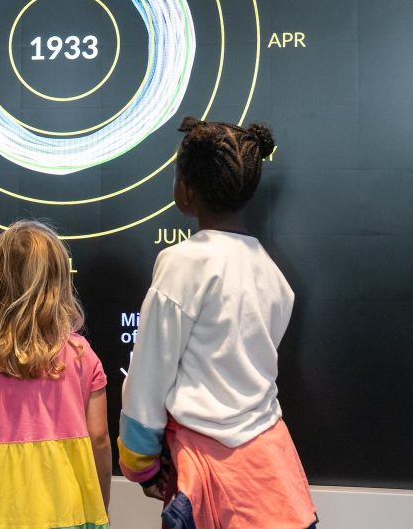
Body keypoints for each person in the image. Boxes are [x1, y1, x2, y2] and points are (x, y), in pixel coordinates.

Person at [118, 118, 317, 529]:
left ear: (186, 190)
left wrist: (141, 463)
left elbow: (149, 375)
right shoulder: (273, 274)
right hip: (271, 464)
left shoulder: (182, 265)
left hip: (207, 473)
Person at [0, 219, 111, 529]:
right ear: (59, 283)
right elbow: (100, 439)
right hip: (73, 512)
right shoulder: (82, 355)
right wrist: (101, 505)